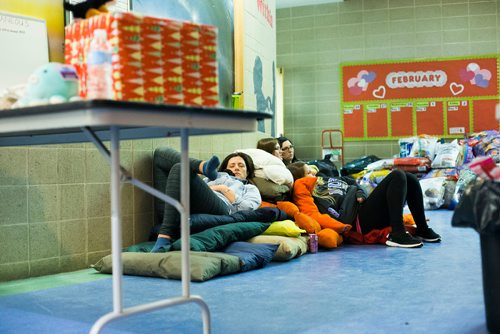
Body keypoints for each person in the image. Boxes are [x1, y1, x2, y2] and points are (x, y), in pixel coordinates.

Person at [287, 162, 441, 248]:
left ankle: (422, 229)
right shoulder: (310, 195)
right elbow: (329, 217)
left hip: (365, 206)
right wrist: (351, 200)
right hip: (359, 220)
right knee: (397, 175)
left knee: (410, 178)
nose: (314, 175)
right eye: (308, 173)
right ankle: (397, 234)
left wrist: (360, 193)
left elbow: (352, 182)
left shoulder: (324, 180)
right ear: (300, 179)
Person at [151, 147, 262, 252]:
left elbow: (246, 208)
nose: (236, 168)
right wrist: (216, 186)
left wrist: (224, 189)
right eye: (232, 165)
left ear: (247, 172)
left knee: (180, 168)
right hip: (177, 207)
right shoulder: (209, 179)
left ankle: (164, 236)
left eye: (241, 165)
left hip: (221, 206)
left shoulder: (249, 188)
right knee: (160, 153)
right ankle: (203, 166)